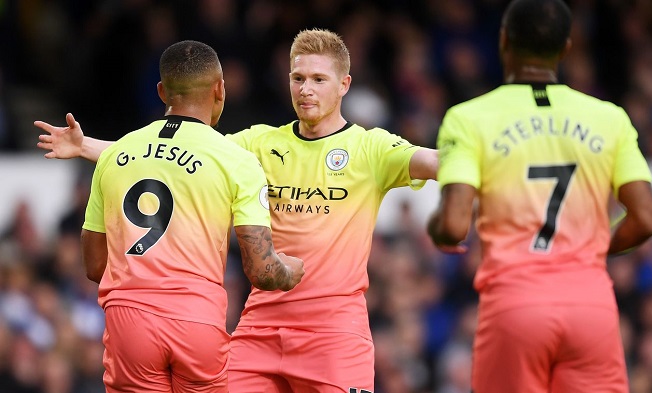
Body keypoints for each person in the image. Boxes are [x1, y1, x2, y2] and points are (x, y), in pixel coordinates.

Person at [36, 29, 437, 392]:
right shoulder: (258, 143)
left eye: (319, 79)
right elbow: (180, 153)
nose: (306, 90)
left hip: (333, 332)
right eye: (298, 79)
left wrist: (485, 156)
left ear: (344, 84)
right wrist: (86, 146)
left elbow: (438, 162)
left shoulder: (373, 149)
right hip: (259, 328)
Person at [39, 40, 305, 393]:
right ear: (220, 89)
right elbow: (261, 270)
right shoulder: (237, 161)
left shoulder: (114, 155)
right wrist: (288, 272)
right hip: (197, 321)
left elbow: (94, 266)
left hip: (128, 321)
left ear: (163, 91)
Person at [426, 0, 652, 392]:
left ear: (503, 42)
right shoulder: (609, 117)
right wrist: (592, 248)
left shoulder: (469, 118)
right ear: (566, 48)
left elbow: (453, 224)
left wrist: (438, 230)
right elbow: (647, 218)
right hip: (591, 307)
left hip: (516, 305)